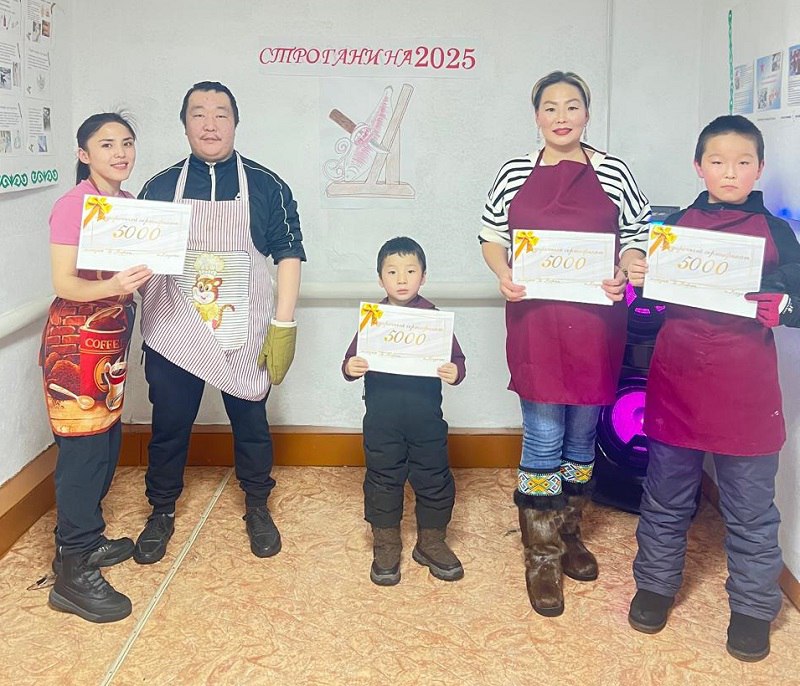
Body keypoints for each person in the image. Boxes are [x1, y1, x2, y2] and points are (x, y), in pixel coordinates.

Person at [479, 71, 651, 617]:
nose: (561, 117)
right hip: (536, 320)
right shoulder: (514, 172)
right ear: (536, 116)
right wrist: (503, 273)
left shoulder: (614, 172)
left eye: (571, 106)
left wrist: (625, 267)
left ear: (586, 114)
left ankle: (570, 532)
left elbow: (640, 235)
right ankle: (542, 555)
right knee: (544, 431)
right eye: (550, 107)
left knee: (582, 433)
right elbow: (490, 234)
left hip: (596, 322)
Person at [629, 115, 800, 662]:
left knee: (751, 509)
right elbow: (649, 302)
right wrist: (638, 278)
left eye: (743, 162)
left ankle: (752, 608)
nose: (730, 173)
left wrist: (785, 306)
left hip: (745, 390)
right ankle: (655, 586)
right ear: (698, 166)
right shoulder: (675, 227)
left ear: (760, 168)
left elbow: (798, 298)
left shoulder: (778, 234)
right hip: (677, 381)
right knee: (665, 497)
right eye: (718, 162)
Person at [134, 81, 305, 564]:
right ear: (184, 124)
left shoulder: (267, 185)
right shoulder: (160, 187)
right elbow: (136, 255)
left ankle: (257, 504)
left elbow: (288, 253)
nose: (210, 125)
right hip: (175, 329)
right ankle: (161, 510)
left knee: (251, 423)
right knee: (169, 426)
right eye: (198, 114)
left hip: (242, 329)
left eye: (220, 114)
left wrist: (283, 324)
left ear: (236, 122)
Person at [42, 112, 153, 622]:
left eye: (126, 143)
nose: (120, 152)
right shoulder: (74, 205)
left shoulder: (126, 204)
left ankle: (86, 540)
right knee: (83, 455)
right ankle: (72, 571)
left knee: (106, 445)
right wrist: (116, 286)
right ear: (84, 155)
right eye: (106, 144)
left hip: (110, 342)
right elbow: (65, 282)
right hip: (75, 342)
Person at [342, 237, 466, 586]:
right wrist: (351, 366)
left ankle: (431, 542)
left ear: (423, 277)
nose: (401, 279)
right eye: (392, 272)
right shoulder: (374, 320)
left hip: (426, 421)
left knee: (434, 477)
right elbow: (349, 361)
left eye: (410, 271)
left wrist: (455, 372)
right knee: (382, 479)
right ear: (380, 278)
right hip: (382, 422)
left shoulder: (435, 320)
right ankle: (386, 544)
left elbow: (458, 361)